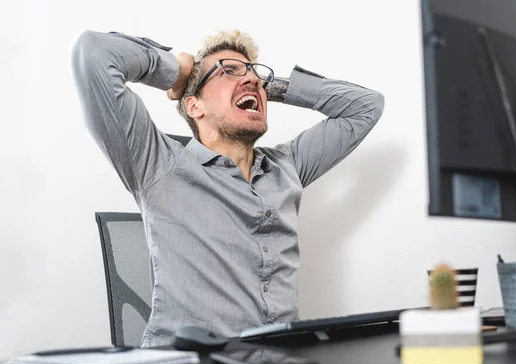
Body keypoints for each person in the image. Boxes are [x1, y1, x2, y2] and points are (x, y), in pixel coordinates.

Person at [71, 29, 385, 347]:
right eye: (228, 71)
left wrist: (267, 87)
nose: (249, 80)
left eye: (254, 74)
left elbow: (367, 106)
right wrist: (176, 71)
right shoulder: (157, 162)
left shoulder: (288, 165)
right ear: (194, 106)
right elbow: (93, 53)